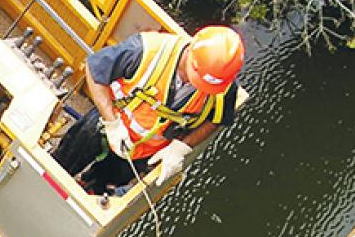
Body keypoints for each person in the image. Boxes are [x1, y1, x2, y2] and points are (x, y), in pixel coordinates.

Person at [53, 25, 244, 195]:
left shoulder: (223, 87)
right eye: (199, 80)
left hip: (143, 153)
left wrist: (181, 147)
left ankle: (88, 188)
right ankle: (52, 182)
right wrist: (112, 123)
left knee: (104, 183)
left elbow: (217, 120)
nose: (201, 88)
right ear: (191, 54)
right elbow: (95, 71)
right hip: (107, 125)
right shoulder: (146, 51)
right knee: (63, 162)